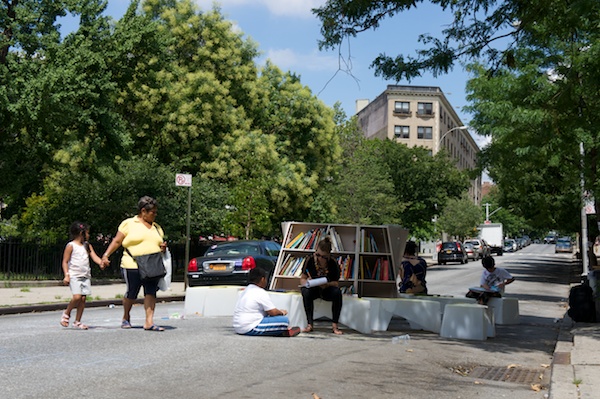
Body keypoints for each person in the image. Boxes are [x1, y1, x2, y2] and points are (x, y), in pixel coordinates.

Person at [101, 196, 167, 331]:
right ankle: (126, 316)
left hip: (152, 265)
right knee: (132, 293)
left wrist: (163, 247)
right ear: (143, 211)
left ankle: (149, 322)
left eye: (155, 212)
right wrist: (106, 255)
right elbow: (117, 241)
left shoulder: (157, 227)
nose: (155, 215)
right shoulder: (129, 224)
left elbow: (159, 243)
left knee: (151, 292)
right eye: (152, 212)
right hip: (132, 264)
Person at [232, 267, 301, 337]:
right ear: (262, 279)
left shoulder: (246, 290)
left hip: (238, 326)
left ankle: (278, 331)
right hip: (250, 326)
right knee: (284, 321)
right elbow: (273, 312)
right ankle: (282, 331)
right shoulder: (260, 292)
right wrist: (282, 312)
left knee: (270, 317)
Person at [60, 222, 103, 329]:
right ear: (81, 233)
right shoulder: (71, 246)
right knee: (77, 297)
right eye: (87, 233)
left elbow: (94, 257)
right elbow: (65, 261)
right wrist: (66, 275)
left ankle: (77, 321)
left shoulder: (87, 246)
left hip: (85, 275)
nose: (88, 235)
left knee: (83, 299)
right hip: (74, 275)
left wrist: (101, 262)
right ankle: (67, 313)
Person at [300, 236, 343, 335]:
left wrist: (327, 284)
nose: (319, 258)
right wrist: (307, 282)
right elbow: (302, 278)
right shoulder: (310, 260)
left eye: (323, 256)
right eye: (317, 254)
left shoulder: (333, 263)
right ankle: (310, 324)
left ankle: (335, 325)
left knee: (337, 293)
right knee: (306, 292)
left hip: (326, 289)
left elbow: (336, 283)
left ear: (328, 256)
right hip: (313, 288)